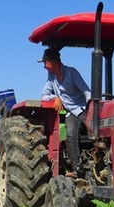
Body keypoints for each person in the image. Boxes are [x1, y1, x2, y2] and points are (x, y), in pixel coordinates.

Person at [40, 48, 91, 178]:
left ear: (51, 61)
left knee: (96, 133)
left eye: (44, 63)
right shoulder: (51, 78)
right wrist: (55, 98)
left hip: (81, 109)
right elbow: (44, 96)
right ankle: (77, 168)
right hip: (70, 113)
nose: (44, 67)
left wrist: (91, 106)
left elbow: (86, 91)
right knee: (70, 135)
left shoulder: (71, 72)